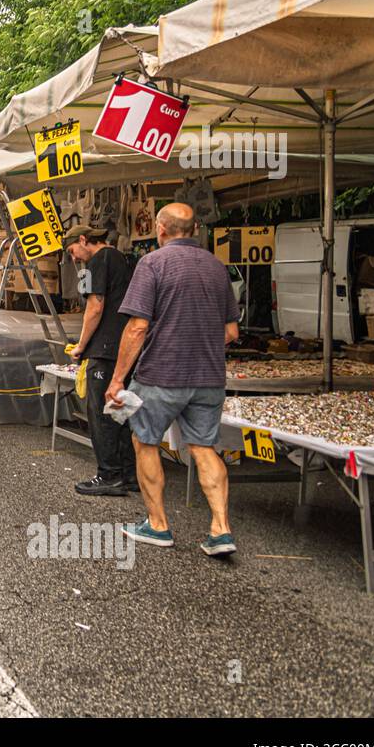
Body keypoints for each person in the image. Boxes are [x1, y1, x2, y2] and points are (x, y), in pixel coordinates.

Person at [106, 203, 240, 556]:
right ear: (195, 228)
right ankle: (221, 530)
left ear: (160, 230)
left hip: (161, 375)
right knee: (203, 448)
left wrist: (118, 379)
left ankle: (158, 525)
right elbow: (231, 331)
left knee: (145, 441)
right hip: (209, 376)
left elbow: (136, 328)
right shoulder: (216, 267)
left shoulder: (152, 263)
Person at [65, 225, 136, 496]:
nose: (73, 258)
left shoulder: (98, 260)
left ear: (84, 240)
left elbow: (95, 306)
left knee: (100, 414)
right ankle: (129, 474)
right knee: (122, 412)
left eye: (73, 250)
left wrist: (81, 345)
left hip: (104, 349)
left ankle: (108, 474)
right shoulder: (122, 258)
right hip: (125, 346)